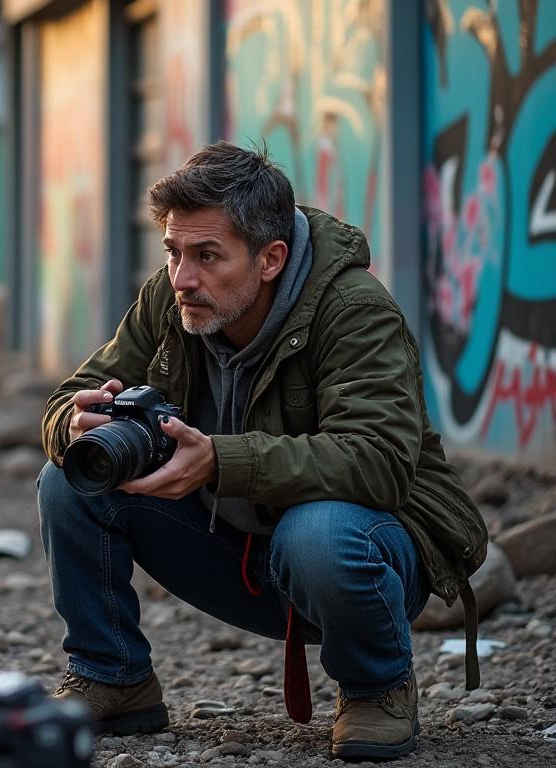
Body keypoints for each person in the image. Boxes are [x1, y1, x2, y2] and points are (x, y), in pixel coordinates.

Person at [36, 142, 485, 761]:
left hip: (358, 557)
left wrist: (221, 460)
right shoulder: (173, 301)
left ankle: (376, 686)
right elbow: (68, 394)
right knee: (69, 479)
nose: (183, 277)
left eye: (207, 256)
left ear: (271, 258)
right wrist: (74, 423)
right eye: (173, 251)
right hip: (241, 553)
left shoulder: (354, 310)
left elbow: (377, 460)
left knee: (319, 531)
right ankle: (113, 676)